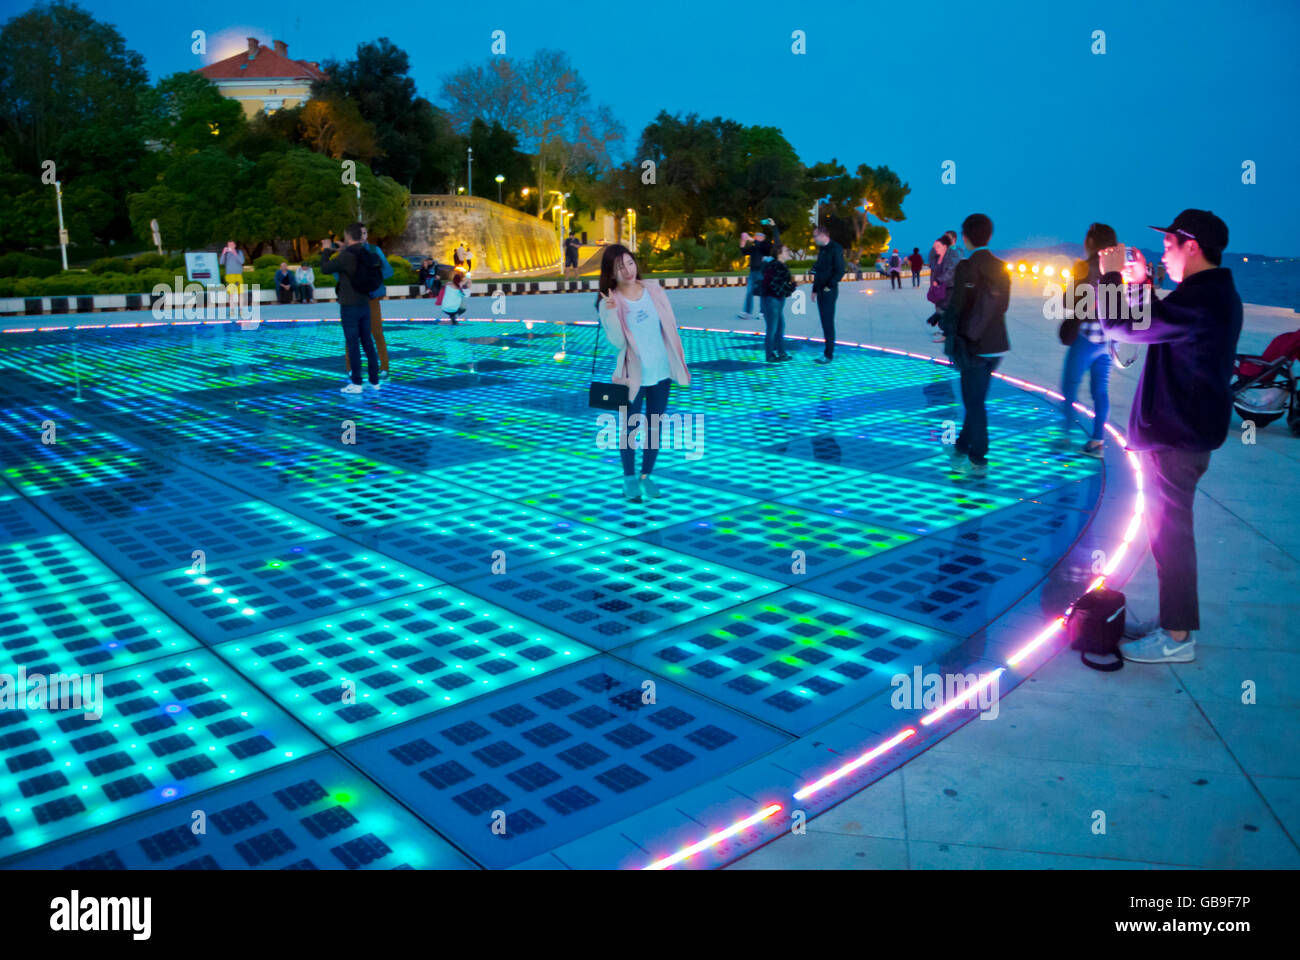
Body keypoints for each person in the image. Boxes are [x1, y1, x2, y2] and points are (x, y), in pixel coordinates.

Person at [1096, 209, 1242, 664]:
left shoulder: (1203, 300)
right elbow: (1159, 320)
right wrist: (1140, 283)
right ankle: (1170, 625)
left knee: (1172, 537)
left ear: (1191, 246)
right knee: (1166, 535)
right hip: (1184, 433)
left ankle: (1178, 637)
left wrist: (1110, 280)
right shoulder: (1206, 295)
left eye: (1168, 246)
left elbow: (1122, 327)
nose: (1163, 255)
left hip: (1179, 437)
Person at [597, 244, 691, 502]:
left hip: (660, 371)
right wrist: (612, 311)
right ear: (610, 272)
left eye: (629, 263)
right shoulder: (609, 301)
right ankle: (629, 478)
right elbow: (616, 342)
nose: (627, 270)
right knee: (629, 428)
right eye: (619, 267)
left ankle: (646, 476)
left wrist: (678, 359)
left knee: (655, 427)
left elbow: (670, 325)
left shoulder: (653, 290)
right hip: (631, 376)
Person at [938, 213, 1010, 477]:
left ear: (965, 237)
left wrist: (947, 330)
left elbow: (957, 308)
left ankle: (978, 459)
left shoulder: (966, 267)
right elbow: (1003, 305)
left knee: (974, 403)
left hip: (973, 345)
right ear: (989, 236)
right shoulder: (1002, 267)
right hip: (997, 344)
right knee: (976, 399)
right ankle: (961, 446)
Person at [1059, 222, 1117, 458]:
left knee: (1070, 386)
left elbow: (1068, 301)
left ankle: (1065, 435)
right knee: (1100, 391)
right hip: (1109, 342)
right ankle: (1097, 441)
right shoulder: (1119, 271)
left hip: (1086, 338)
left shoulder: (1085, 267)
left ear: (1091, 243)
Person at [320, 223, 381, 394]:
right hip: (364, 303)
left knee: (353, 343)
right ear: (360, 236)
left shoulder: (346, 256)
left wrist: (326, 250)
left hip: (349, 306)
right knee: (368, 342)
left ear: (347, 236)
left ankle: (356, 383)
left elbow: (325, 268)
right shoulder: (366, 252)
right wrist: (342, 249)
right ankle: (374, 381)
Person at [344, 225, 393, 380]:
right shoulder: (347, 252)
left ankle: (384, 367)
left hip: (371, 298)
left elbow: (388, 271)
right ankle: (350, 368)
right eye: (359, 233)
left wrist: (372, 277)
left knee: (377, 333)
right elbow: (338, 275)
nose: (362, 236)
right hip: (354, 299)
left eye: (364, 233)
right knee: (353, 335)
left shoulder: (373, 250)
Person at [811, 224, 845, 364]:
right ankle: (827, 351)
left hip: (829, 291)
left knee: (827, 322)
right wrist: (814, 289)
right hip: (820, 290)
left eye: (815, 236)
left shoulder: (835, 248)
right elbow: (819, 270)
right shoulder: (822, 249)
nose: (814, 239)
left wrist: (828, 286)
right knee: (824, 321)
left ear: (823, 235)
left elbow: (840, 270)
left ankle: (828, 354)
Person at [760, 246, 795, 363]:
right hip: (772, 300)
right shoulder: (777, 266)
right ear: (779, 253)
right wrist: (793, 285)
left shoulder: (775, 265)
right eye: (786, 250)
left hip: (773, 299)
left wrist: (790, 286)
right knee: (773, 328)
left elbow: (779, 284)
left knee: (779, 327)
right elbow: (776, 285)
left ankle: (781, 353)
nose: (789, 252)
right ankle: (770, 355)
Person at [927, 233, 964, 341]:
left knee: (945, 309)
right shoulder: (942, 250)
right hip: (939, 285)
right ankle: (944, 330)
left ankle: (947, 333)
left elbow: (951, 269)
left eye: (948, 237)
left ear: (954, 239)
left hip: (949, 284)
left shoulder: (956, 251)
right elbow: (932, 261)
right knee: (939, 307)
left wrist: (940, 279)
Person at [738, 229, 772, 319]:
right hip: (753, 271)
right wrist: (743, 241)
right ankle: (747, 312)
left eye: (758, 236)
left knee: (762, 292)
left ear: (763, 237)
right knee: (749, 292)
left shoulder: (766, 245)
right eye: (755, 236)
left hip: (762, 271)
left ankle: (763, 312)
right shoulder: (754, 247)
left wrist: (751, 239)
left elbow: (763, 247)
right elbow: (743, 252)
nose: (755, 237)